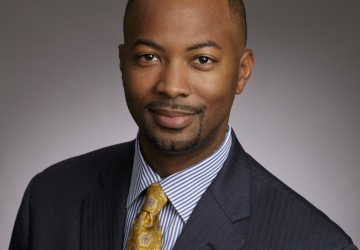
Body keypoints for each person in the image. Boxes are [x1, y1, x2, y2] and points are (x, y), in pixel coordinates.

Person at [9, 0, 357, 249]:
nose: (172, 85)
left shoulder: (315, 242)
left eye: (202, 59)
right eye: (149, 57)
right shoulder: (48, 198)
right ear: (122, 62)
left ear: (243, 71)